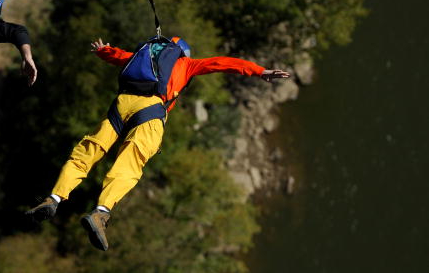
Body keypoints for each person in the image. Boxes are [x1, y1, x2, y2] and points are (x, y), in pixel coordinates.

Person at [27, 36, 290, 250]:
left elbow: (118, 56)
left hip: (122, 103)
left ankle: (54, 198)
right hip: (151, 111)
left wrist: (103, 50)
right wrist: (260, 71)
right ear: (183, 54)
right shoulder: (187, 65)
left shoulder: (141, 58)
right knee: (129, 164)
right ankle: (101, 212)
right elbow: (222, 63)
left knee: (87, 152)